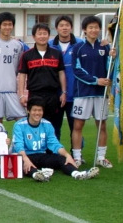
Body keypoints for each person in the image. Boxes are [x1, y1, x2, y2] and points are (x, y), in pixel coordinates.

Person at [12, 97, 99, 182]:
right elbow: (18, 145)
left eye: (40, 110)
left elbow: (54, 144)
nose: (37, 113)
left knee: (62, 159)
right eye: (34, 110)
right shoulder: (19, 125)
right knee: (21, 162)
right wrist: (26, 159)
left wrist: (67, 155)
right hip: (25, 156)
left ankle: (77, 174)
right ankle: (37, 175)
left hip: (41, 155)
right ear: (28, 111)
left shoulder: (47, 124)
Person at [71, 16, 114, 168]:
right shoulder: (78, 48)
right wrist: (96, 80)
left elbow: (110, 68)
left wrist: (112, 58)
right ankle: (76, 157)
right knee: (78, 125)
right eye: (91, 27)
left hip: (100, 94)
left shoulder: (105, 47)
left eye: (96, 27)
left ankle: (101, 157)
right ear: (85, 30)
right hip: (82, 93)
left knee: (102, 125)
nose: (94, 30)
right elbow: (76, 70)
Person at [18, 23, 66, 139]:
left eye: (45, 33)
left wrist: (64, 92)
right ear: (34, 36)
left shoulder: (56, 53)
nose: (42, 36)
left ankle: (53, 153)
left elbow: (61, 73)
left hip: (53, 95)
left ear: (49, 36)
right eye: (39, 34)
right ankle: (37, 153)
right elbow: (22, 75)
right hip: (35, 95)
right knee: (35, 125)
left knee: (54, 126)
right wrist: (21, 95)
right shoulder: (27, 55)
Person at [48, 15, 83, 145]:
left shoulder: (80, 44)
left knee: (76, 126)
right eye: (61, 25)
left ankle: (77, 154)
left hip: (75, 93)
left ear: (71, 27)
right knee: (54, 127)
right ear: (56, 28)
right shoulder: (49, 45)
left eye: (67, 25)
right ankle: (55, 153)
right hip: (55, 95)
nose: (64, 28)